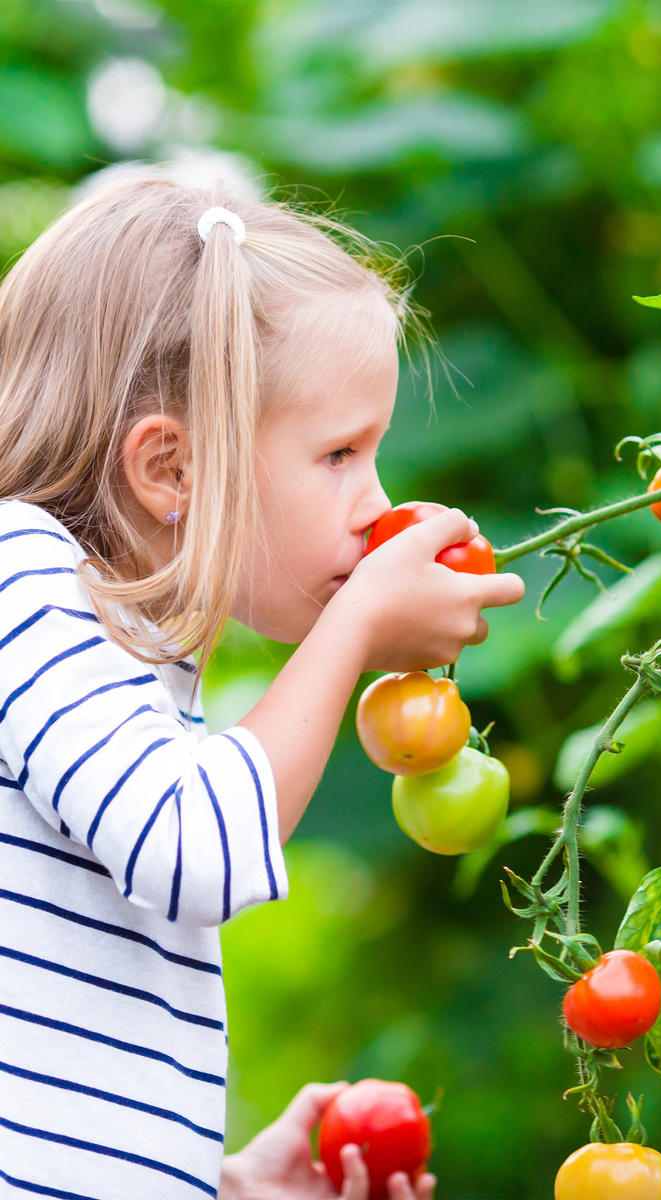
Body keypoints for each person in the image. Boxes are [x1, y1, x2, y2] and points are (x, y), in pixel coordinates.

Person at [0, 173, 524, 1198]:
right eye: (338, 454)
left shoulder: (129, 658)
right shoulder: (19, 574)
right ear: (172, 471)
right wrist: (359, 621)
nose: (376, 502)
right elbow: (194, 848)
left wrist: (233, 1185)